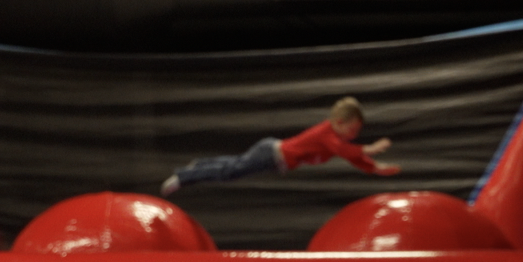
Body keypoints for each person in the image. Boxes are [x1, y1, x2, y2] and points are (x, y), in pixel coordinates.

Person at [160, 96, 400, 196]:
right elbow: (344, 150)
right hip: (271, 155)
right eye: (353, 130)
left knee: (233, 165)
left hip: (271, 153)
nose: (354, 136)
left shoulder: (335, 139)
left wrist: (374, 167)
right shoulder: (327, 133)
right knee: (230, 171)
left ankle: (198, 166)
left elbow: (351, 156)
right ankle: (184, 176)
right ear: (339, 122)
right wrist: (369, 148)